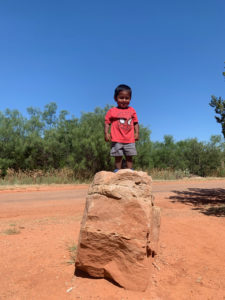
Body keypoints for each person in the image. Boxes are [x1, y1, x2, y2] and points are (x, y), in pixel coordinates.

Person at [105, 84, 139, 172]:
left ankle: (130, 170)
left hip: (129, 139)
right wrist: (106, 133)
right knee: (118, 156)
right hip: (116, 138)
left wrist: (137, 133)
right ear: (115, 98)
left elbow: (135, 123)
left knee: (129, 155)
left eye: (127, 98)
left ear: (130, 98)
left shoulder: (132, 110)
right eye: (121, 97)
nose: (124, 100)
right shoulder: (112, 111)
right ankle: (118, 170)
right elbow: (107, 122)